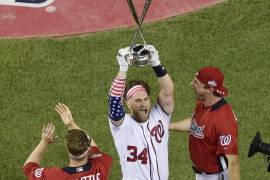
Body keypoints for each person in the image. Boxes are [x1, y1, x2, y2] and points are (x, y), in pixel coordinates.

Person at [108, 45, 174, 180]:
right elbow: (114, 101)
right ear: (128, 103)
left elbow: (168, 91)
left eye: (145, 99)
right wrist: (123, 69)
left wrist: (156, 63)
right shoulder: (121, 124)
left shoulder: (160, 115)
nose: (143, 103)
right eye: (138, 100)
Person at [169, 66, 240, 180]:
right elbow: (196, 123)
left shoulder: (224, 120)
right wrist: (170, 126)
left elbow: (233, 162)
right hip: (202, 174)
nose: (192, 83)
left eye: (197, 83)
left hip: (217, 176)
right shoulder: (203, 102)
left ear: (210, 89)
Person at [23, 103, 112, 180]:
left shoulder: (54, 176)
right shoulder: (101, 166)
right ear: (89, 150)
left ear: (67, 149)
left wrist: (44, 142)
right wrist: (71, 124)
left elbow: (29, 168)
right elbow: (95, 149)